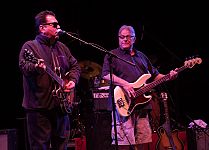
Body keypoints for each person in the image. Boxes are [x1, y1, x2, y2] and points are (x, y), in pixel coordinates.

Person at [101, 25, 177, 150]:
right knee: (124, 143)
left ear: (134, 39)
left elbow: (155, 75)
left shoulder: (141, 56)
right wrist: (125, 84)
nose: (125, 39)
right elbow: (105, 74)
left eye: (128, 37)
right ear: (118, 38)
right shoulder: (112, 55)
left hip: (142, 105)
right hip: (123, 103)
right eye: (122, 37)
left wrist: (169, 76)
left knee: (142, 140)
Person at [19, 10, 81, 150]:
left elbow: (75, 66)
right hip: (39, 110)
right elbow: (24, 66)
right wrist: (36, 67)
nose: (58, 27)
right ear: (42, 28)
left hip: (61, 108)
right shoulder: (30, 47)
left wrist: (72, 80)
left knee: (62, 146)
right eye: (54, 24)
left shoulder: (62, 47)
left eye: (58, 24)